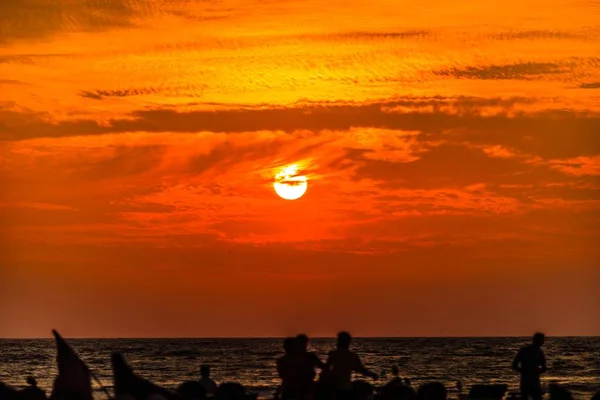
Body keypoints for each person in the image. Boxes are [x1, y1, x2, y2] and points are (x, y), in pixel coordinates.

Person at [323, 331, 378, 399]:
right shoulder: (351, 356)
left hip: (335, 388)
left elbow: (326, 368)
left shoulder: (333, 354)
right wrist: (372, 375)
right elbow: (361, 370)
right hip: (346, 388)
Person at [512, 332, 547, 400]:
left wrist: (524, 372)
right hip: (532, 382)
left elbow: (514, 365)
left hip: (527, 381)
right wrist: (534, 372)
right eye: (542, 339)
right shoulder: (539, 352)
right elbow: (544, 368)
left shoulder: (525, 350)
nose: (543, 341)